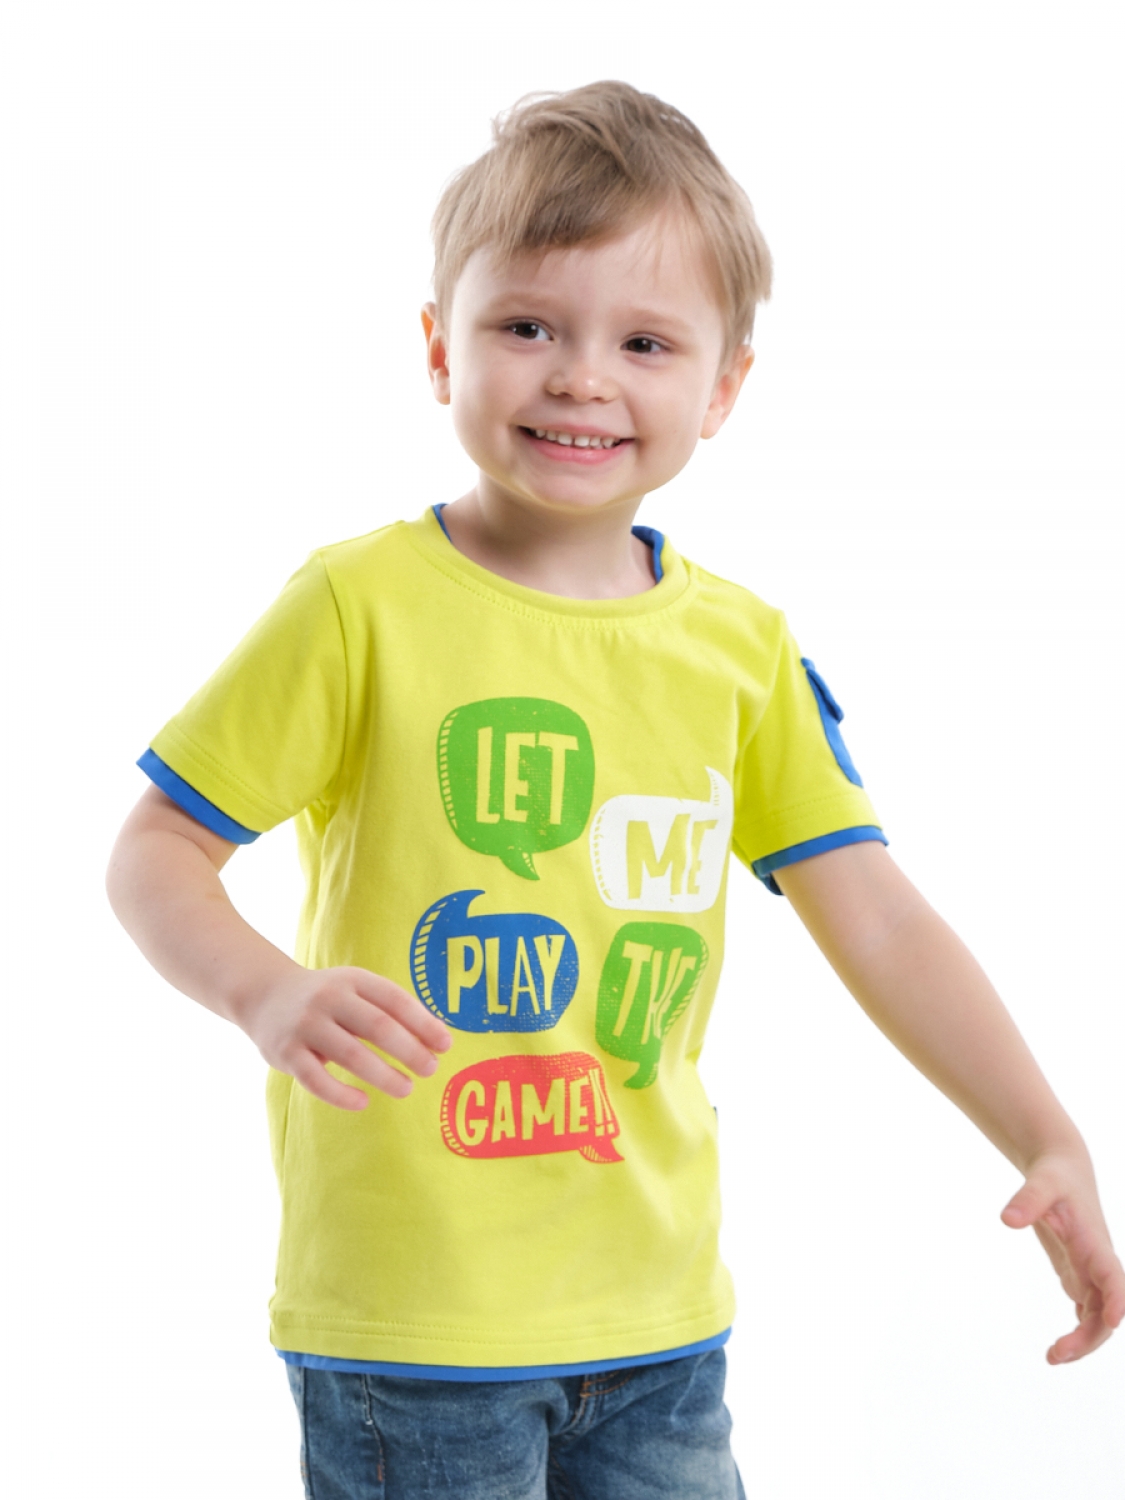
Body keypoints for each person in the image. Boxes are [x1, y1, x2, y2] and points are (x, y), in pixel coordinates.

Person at [106, 81, 1123, 1500]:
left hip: (659, 1322)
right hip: (416, 1324)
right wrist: (263, 991)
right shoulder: (356, 607)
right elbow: (156, 847)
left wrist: (1045, 1135)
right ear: (439, 348)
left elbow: (878, 918)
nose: (582, 378)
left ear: (722, 388)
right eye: (527, 327)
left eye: (644, 342)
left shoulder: (739, 649)